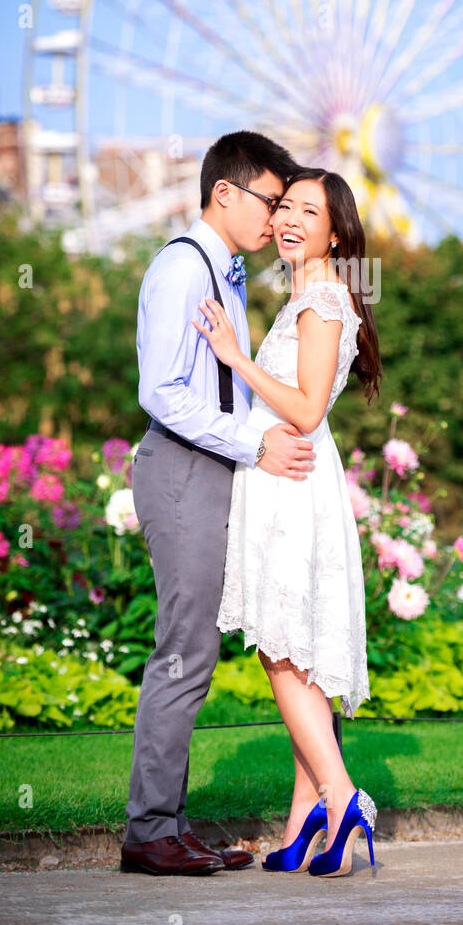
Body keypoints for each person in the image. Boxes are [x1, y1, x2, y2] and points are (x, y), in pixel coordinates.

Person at [120, 130, 316, 877]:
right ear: (224, 193)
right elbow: (161, 392)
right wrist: (252, 443)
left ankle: (165, 823)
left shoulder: (225, 273)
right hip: (183, 469)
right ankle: (148, 832)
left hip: (215, 466)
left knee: (198, 648)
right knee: (186, 649)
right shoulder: (182, 269)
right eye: (270, 200)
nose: (277, 217)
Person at [193, 166, 383, 877]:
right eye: (286, 207)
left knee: (282, 649)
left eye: (311, 210)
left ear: (338, 230)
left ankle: (341, 797)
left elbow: (305, 410)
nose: (291, 219)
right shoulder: (306, 293)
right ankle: (304, 821)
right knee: (296, 647)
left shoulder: (324, 299)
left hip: (292, 479)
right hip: (286, 477)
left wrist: (234, 357)